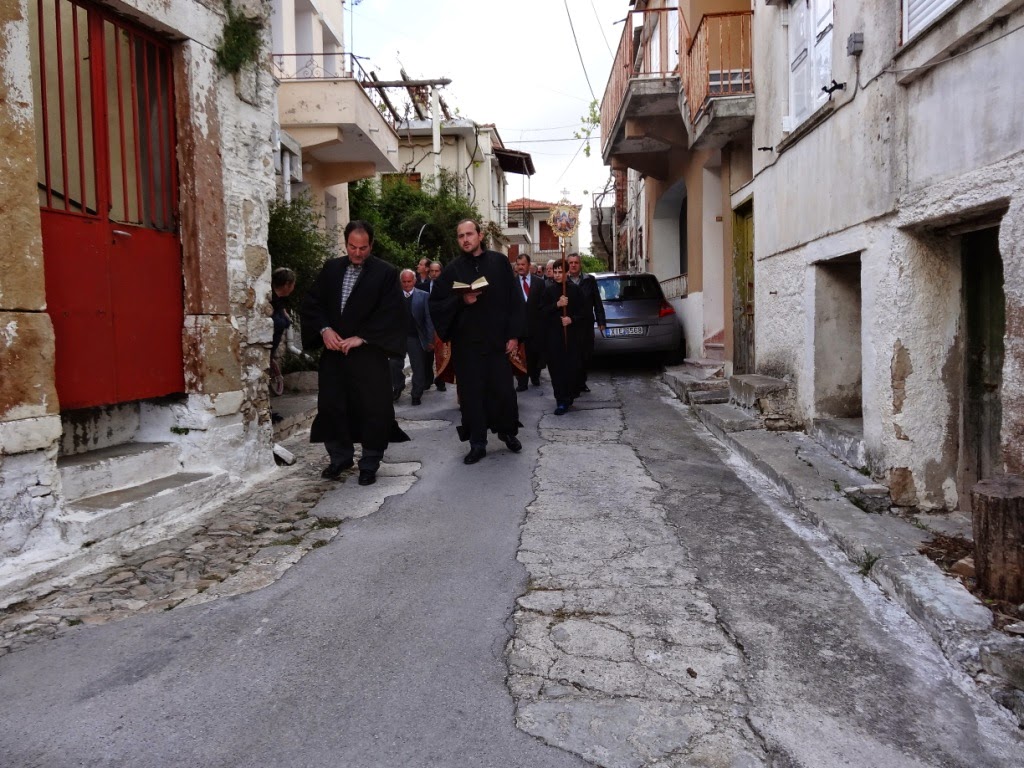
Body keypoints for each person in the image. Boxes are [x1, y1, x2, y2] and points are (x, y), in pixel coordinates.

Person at [300, 220, 407, 486]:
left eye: (363, 248)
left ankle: (369, 463)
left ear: (371, 245)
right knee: (333, 406)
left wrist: (363, 337)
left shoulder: (385, 273)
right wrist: (324, 330)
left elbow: (392, 312)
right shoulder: (331, 268)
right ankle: (340, 458)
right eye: (352, 247)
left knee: (374, 409)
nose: (357, 253)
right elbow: (312, 303)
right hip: (335, 355)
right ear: (346, 243)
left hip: (369, 357)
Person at [429, 219, 526, 464]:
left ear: (480, 236)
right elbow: (436, 305)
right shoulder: (452, 271)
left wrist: (514, 335)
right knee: (472, 396)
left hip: (497, 343)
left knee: (503, 392)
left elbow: (515, 299)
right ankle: (477, 443)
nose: (465, 239)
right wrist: (462, 300)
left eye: (469, 234)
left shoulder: (500, 262)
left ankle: (507, 432)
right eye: (460, 236)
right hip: (467, 347)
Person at [539, 260, 585, 415]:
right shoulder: (548, 291)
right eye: (555, 272)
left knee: (571, 369)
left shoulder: (575, 290)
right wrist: (557, 305)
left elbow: (584, 313)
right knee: (557, 370)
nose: (557, 275)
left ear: (567, 272)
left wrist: (571, 319)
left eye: (560, 272)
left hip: (571, 337)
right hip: (554, 337)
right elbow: (542, 312)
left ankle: (570, 395)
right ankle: (561, 400)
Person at [391, 268, 435, 406]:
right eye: (404, 282)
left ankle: (416, 394)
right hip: (398, 338)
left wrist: (430, 339)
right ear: (400, 282)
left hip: (415, 337)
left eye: (409, 281)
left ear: (414, 281)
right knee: (393, 364)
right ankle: (398, 386)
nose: (406, 284)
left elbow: (428, 319)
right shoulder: (394, 296)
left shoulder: (424, 296)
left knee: (418, 367)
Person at [567, 253, 606, 394]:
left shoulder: (589, 280)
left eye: (576, 262)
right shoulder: (564, 281)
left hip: (586, 324)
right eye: (571, 263)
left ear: (580, 264)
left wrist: (601, 321)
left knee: (586, 354)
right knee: (572, 354)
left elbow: (597, 301)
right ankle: (574, 382)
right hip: (570, 324)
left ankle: (582, 381)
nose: (573, 265)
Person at [513, 254, 544, 391]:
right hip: (519, 327)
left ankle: (535, 376)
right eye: (518, 264)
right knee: (520, 355)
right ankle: (522, 382)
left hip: (536, 327)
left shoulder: (539, 283)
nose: (520, 267)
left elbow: (543, 304)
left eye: (523, 264)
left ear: (529, 265)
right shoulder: (511, 283)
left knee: (534, 353)